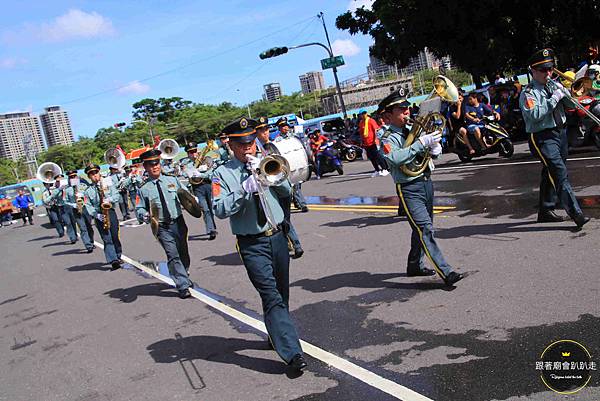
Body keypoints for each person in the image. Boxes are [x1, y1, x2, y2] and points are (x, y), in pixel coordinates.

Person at [212, 117, 307, 372]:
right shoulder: (222, 173)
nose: (248, 149)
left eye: (250, 143)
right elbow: (219, 209)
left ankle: (276, 335)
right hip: (252, 244)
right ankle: (292, 353)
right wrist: (245, 188)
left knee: (281, 294)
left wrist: (271, 176)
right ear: (231, 145)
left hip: (276, 236)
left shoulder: (264, 160)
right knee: (270, 294)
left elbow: (287, 193)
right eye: (241, 145)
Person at [377, 89, 464, 287]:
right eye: (402, 109)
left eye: (407, 108)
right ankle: (446, 271)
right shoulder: (387, 136)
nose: (407, 112)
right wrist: (420, 144)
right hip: (409, 187)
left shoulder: (414, 129)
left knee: (421, 228)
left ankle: (414, 265)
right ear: (388, 115)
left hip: (425, 182)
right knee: (425, 228)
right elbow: (394, 158)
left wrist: (434, 150)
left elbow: (425, 156)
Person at [520, 48, 590, 228]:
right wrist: (553, 99)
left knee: (550, 172)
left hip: (560, 133)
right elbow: (535, 114)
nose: (548, 73)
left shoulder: (552, 86)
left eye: (550, 69)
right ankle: (577, 214)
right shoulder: (528, 93)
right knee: (559, 173)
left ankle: (545, 210)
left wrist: (565, 92)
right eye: (543, 70)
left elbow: (571, 105)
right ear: (533, 71)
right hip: (542, 136)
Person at [136, 149, 195, 299]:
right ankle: (182, 284)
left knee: (183, 252)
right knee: (172, 254)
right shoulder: (143, 189)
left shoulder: (172, 180)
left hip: (178, 222)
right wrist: (145, 215)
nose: (155, 167)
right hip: (162, 226)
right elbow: (139, 208)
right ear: (146, 167)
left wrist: (194, 202)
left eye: (156, 163)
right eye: (151, 165)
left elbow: (186, 195)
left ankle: (184, 274)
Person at [255, 116, 304, 259]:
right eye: (261, 130)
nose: (265, 132)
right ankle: (295, 245)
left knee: (285, 218)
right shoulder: (256, 149)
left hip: (283, 186)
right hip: (269, 189)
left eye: (266, 129)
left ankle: (291, 243)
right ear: (256, 133)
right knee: (280, 219)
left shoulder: (274, 145)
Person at [84, 164, 123, 270]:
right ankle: (113, 260)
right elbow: (88, 205)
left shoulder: (108, 183)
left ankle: (118, 255)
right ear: (89, 177)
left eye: (95, 173)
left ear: (99, 173)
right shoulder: (88, 191)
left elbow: (116, 195)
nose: (94, 175)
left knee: (115, 236)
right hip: (99, 215)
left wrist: (109, 199)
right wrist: (96, 215)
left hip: (110, 211)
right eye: (91, 174)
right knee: (107, 238)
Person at [180, 142, 218, 240]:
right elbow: (184, 175)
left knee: (211, 208)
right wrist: (187, 172)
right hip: (197, 188)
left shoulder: (206, 159)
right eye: (191, 152)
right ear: (188, 154)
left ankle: (212, 226)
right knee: (205, 209)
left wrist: (201, 174)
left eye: (194, 151)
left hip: (208, 185)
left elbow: (212, 172)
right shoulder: (187, 164)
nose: (193, 154)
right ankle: (211, 230)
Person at [273, 117, 308, 213]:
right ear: (279, 129)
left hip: (297, 164)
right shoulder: (277, 141)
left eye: (286, 126)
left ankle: (297, 202)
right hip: (287, 167)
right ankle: (302, 204)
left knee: (297, 185)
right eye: (283, 126)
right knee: (294, 186)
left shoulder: (294, 137)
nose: (285, 128)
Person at [63, 170, 95, 252]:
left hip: (86, 208)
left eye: (74, 176)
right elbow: (65, 201)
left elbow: (90, 194)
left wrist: (83, 196)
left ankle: (91, 241)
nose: (73, 178)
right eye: (71, 177)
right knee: (82, 228)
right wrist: (73, 205)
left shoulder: (83, 186)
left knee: (89, 227)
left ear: (77, 177)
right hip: (76, 209)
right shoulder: (67, 189)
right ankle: (88, 246)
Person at [358, 110, 389, 177]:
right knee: (372, 158)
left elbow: (376, 130)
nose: (363, 115)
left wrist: (376, 140)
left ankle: (384, 169)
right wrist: (362, 142)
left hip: (373, 142)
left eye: (364, 113)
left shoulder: (371, 121)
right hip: (366, 144)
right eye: (362, 114)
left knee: (378, 156)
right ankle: (377, 170)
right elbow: (361, 133)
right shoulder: (361, 123)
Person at [51, 173, 80, 244]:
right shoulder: (55, 188)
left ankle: (75, 235)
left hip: (70, 206)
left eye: (61, 179)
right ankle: (72, 237)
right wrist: (59, 189)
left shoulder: (68, 186)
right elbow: (53, 196)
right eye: (58, 180)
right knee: (67, 222)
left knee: (73, 221)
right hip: (62, 207)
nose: (60, 180)